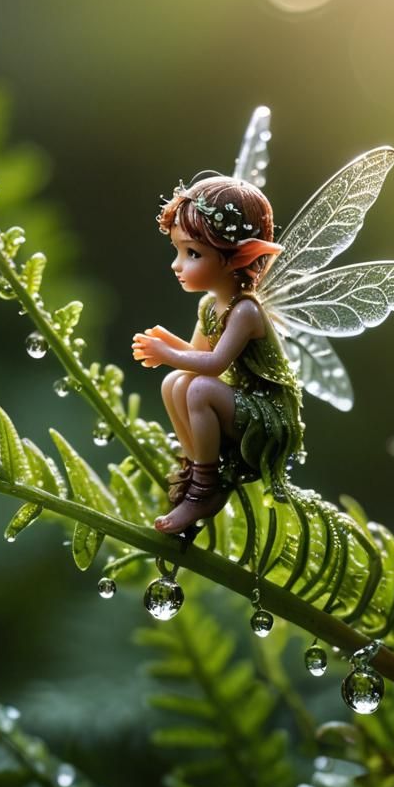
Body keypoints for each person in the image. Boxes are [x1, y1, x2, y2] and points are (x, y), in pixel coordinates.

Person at [132, 175, 304, 534]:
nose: (177, 265)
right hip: (240, 405)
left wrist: (165, 352)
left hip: (269, 419)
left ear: (238, 257)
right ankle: (195, 465)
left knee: (197, 389)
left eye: (192, 253)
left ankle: (205, 489)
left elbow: (215, 365)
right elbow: (196, 355)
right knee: (174, 383)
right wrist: (172, 347)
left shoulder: (245, 312)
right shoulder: (210, 305)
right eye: (178, 251)